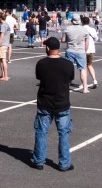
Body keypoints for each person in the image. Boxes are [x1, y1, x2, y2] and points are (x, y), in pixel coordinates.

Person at [31, 37, 75, 171]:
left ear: (48, 48)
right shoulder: (67, 64)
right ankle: (64, 163)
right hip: (62, 102)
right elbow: (70, 78)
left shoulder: (41, 63)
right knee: (63, 133)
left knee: (41, 131)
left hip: (45, 102)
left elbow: (39, 77)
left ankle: (39, 160)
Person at [62, 15, 90, 93]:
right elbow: (87, 42)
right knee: (82, 69)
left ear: (72, 21)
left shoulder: (67, 29)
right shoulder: (84, 30)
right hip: (81, 51)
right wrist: (85, 50)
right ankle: (85, 88)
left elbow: (63, 40)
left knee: (68, 69)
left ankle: (65, 86)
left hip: (70, 50)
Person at [0, 14, 11, 81]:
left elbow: (1, 36)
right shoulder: (7, 24)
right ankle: (3, 75)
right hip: (6, 43)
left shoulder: (3, 25)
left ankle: (5, 76)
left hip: (3, 44)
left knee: (3, 60)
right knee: (1, 60)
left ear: (0, 18)